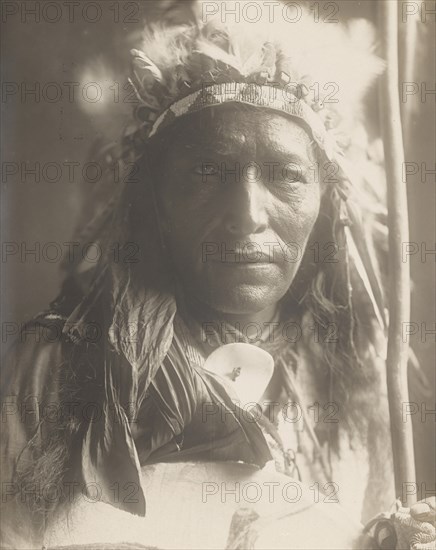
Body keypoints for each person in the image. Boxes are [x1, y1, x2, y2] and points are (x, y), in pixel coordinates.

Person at [1, 4, 433, 549]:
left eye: (285, 175)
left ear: (325, 206)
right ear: (155, 200)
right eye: (208, 172)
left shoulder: (349, 370)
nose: (248, 213)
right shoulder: (58, 365)